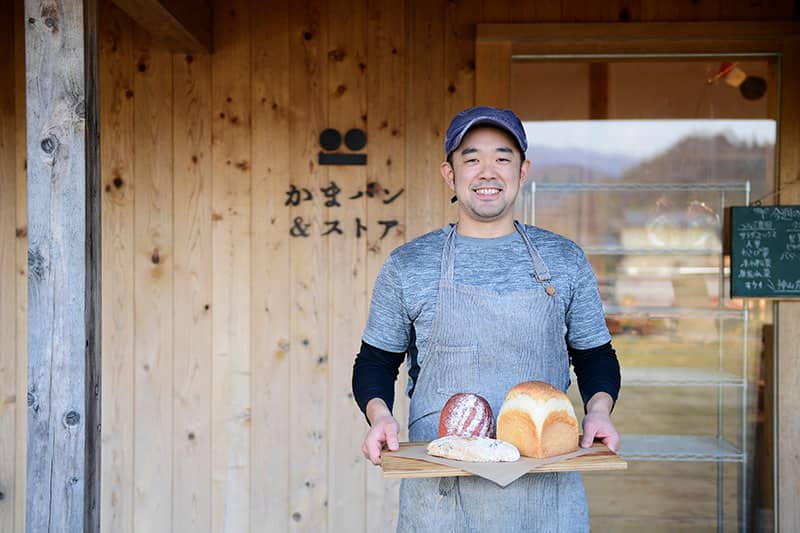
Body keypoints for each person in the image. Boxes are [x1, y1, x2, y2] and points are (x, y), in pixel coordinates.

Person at [352, 106, 621, 532]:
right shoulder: (409, 265)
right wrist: (380, 415)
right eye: (471, 158)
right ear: (449, 173)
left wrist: (599, 410)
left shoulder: (564, 260)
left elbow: (595, 356)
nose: (487, 171)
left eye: (502, 157)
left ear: (523, 169)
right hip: (441, 491)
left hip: (544, 488)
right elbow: (375, 362)